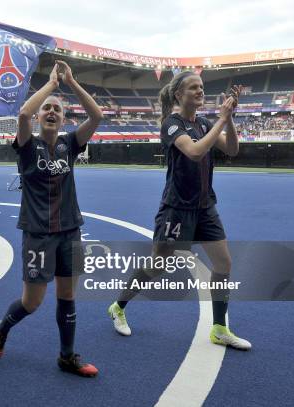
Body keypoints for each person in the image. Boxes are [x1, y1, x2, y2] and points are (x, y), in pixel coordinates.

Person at [107, 72, 251, 351]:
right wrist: (221, 118)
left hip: (205, 207)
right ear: (178, 95)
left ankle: (220, 328)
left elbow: (232, 149)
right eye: (193, 87)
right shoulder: (172, 124)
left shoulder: (205, 122)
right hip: (176, 209)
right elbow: (195, 152)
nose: (200, 91)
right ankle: (118, 305)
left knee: (224, 264)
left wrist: (229, 117)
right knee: (158, 265)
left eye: (201, 87)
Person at [0, 60, 103, 377]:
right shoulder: (27, 146)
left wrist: (72, 82)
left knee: (67, 296)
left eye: (57, 110)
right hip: (38, 233)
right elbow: (23, 113)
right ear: (40, 117)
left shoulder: (70, 144)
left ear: (64, 118)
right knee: (32, 302)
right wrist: (52, 85)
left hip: (70, 231)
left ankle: (67, 356)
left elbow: (97, 116)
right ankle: (3, 326)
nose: (51, 112)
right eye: (47, 109)